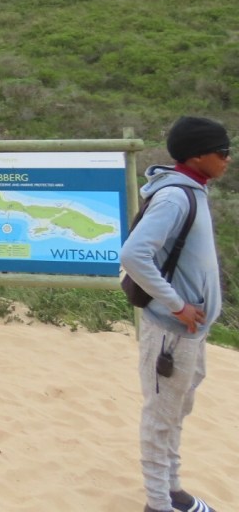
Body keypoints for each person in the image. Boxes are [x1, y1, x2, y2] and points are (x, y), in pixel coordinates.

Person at [120, 115, 231, 512]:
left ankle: (172, 489)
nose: (228, 158)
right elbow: (133, 255)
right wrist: (177, 305)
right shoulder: (175, 197)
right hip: (171, 331)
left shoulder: (193, 190)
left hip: (189, 332)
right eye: (222, 152)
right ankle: (157, 503)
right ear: (198, 156)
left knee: (176, 409)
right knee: (160, 415)